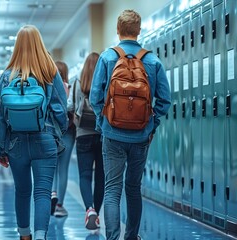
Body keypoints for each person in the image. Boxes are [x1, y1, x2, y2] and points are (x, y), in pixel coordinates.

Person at [89, 10, 171, 240]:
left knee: (112, 189)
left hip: (112, 135)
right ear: (139, 30)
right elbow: (165, 99)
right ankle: (132, 236)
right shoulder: (152, 60)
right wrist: (151, 125)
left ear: (118, 30)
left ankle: (113, 237)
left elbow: (95, 97)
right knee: (133, 189)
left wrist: (103, 122)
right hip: (140, 137)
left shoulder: (107, 57)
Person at [0, 25, 68, 240]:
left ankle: (24, 235)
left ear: (17, 47)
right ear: (39, 44)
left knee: (22, 191)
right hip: (45, 139)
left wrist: (1, 148)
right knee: (43, 192)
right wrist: (57, 134)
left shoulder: (7, 76)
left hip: (16, 142)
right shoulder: (49, 71)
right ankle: (41, 235)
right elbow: (60, 108)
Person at [68, 53, 104, 230]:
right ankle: (96, 211)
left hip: (82, 134)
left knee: (84, 175)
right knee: (100, 177)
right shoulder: (105, 82)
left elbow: (71, 107)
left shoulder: (77, 83)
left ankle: (89, 209)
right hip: (103, 135)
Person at [50, 61, 75, 218]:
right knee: (63, 169)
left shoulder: (49, 88)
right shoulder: (70, 88)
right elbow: (72, 107)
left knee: (51, 167)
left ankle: (52, 193)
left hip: (52, 132)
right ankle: (59, 205)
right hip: (68, 132)